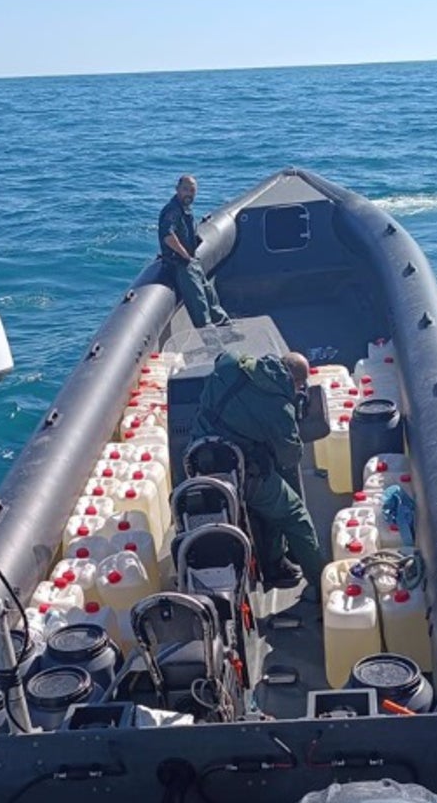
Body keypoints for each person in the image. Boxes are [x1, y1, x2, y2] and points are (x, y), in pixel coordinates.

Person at [192, 350, 325, 601]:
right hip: (238, 473)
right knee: (294, 514)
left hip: (198, 460)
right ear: (296, 383)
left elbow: (219, 359)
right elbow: (289, 458)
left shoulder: (232, 364)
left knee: (271, 498)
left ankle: (275, 564)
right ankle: (321, 582)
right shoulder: (279, 407)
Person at [158, 175, 231, 329]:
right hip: (179, 263)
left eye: (192, 191)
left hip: (191, 260)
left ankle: (224, 324)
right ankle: (208, 333)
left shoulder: (185, 210)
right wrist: (185, 256)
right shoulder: (173, 210)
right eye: (185, 189)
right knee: (198, 300)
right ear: (177, 189)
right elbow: (167, 236)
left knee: (209, 293)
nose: (189, 194)